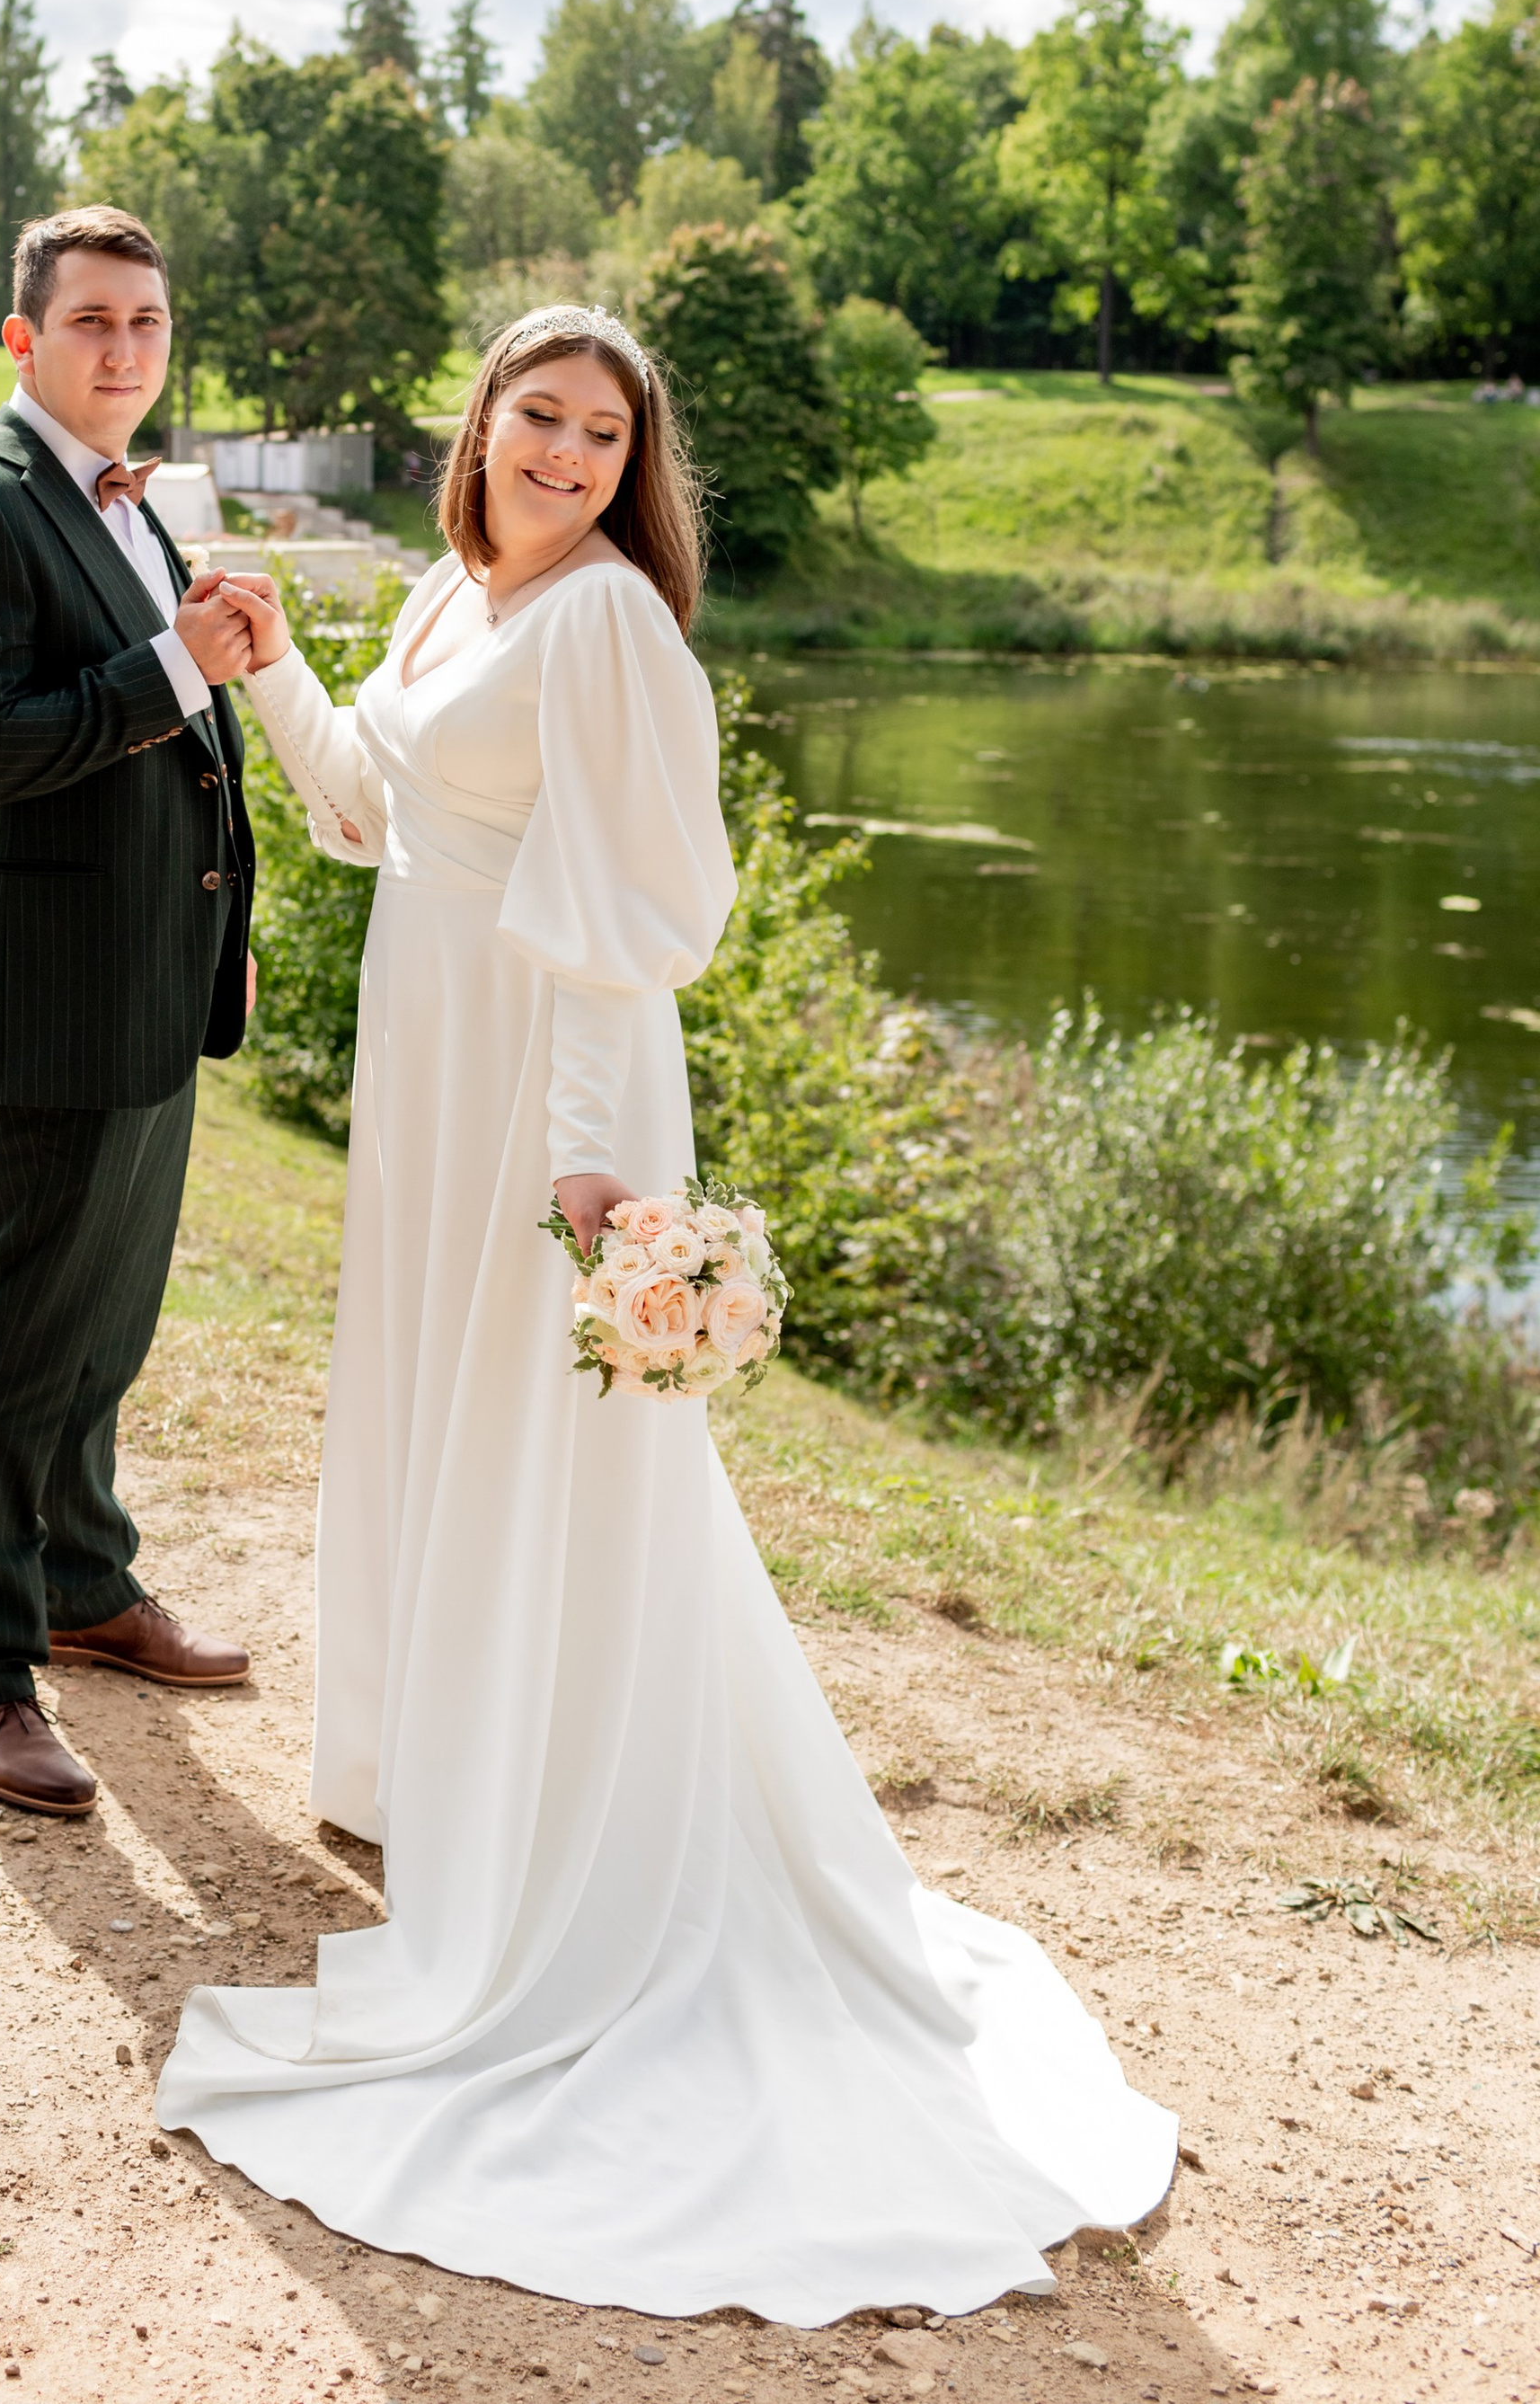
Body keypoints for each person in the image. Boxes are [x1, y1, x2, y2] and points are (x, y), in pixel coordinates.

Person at [155, 304, 1174, 2324]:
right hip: (426, 1051)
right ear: (482, 425)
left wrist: (597, 1173)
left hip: (535, 1083)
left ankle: (569, 1832)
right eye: (537, 419)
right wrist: (268, 676)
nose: (562, 457)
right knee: (425, 1414)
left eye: (601, 437)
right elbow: (374, 811)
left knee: (544, 1447)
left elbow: (628, 920)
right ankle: (449, 1775)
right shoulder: (463, 592)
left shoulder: (610, 625)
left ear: (633, 467)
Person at [0, 205, 261, 1821]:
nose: (126, 350)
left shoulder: (134, 504)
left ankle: (87, 1584)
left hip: (153, 984)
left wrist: (223, 924)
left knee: (106, 1318)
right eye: (95, 322)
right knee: (14, 1327)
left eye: (150, 325)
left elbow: (180, 747)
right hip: (41, 997)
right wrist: (176, 665)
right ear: (26, 340)